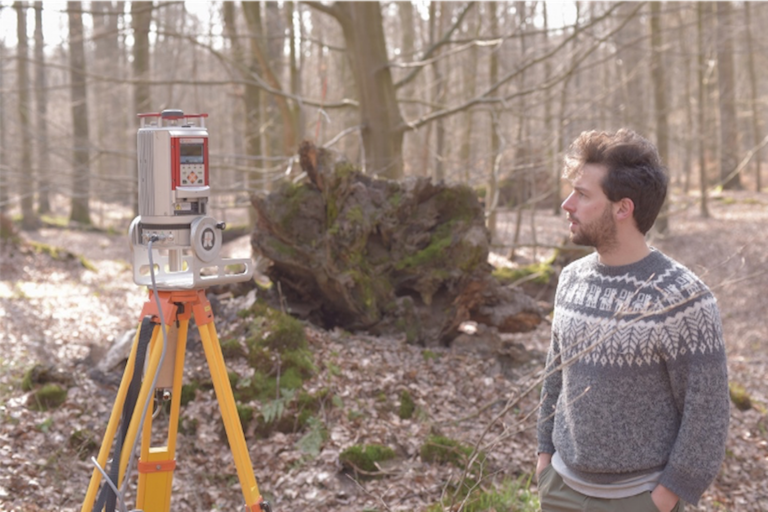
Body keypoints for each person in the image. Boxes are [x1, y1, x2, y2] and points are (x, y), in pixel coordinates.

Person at [536, 129, 729, 512]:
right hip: (560, 490)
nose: (567, 204)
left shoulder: (683, 299)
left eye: (583, 194)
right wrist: (544, 458)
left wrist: (662, 498)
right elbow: (555, 375)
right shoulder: (571, 279)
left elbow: (707, 414)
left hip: (638, 500)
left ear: (623, 208)